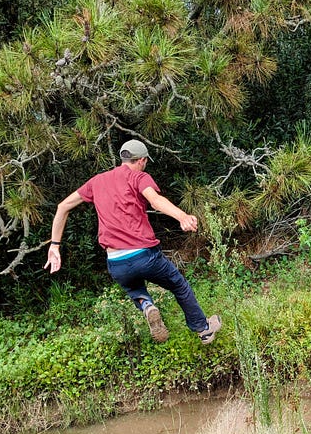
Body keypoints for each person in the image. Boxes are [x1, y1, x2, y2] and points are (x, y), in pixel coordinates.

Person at [44, 139, 222, 345]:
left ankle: (147, 306)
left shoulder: (97, 181)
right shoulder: (139, 176)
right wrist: (182, 216)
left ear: (123, 158)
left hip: (116, 262)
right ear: (142, 160)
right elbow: (155, 200)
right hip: (145, 256)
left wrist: (55, 245)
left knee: (135, 289)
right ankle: (203, 329)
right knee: (179, 286)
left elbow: (62, 206)